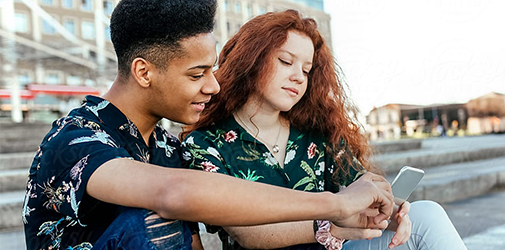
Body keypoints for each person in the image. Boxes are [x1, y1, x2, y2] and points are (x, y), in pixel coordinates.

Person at [22, 1, 396, 249]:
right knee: (151, 219)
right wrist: (332, 206)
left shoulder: (167, 148)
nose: (213, 85)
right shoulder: (76, 137)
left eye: (213, 70)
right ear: (143, 72)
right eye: (197, 73)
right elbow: (174, 194)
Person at [181, 10, 467, 250]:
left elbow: (361, 185)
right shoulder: (204, 144)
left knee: (427, 214)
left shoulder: (317, 132)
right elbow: (248, 233)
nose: (297, 77)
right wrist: (334, 225)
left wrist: (386, 211)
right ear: (251, 59)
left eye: (306, 70)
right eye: (285, 62)